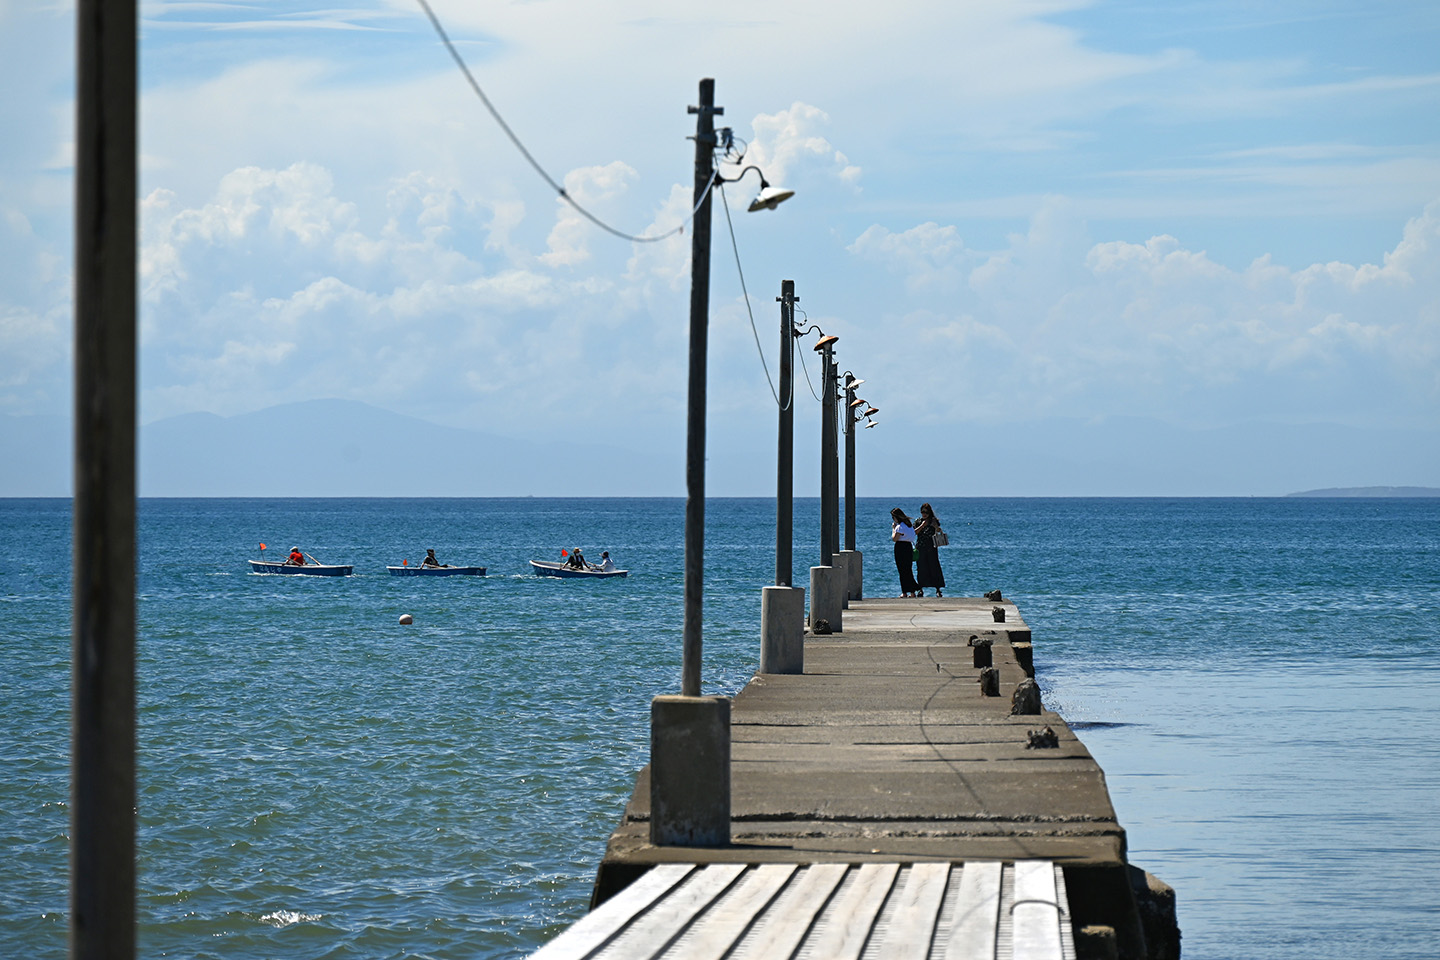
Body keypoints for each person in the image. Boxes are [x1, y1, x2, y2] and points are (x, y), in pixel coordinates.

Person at [913, 502, 946, 598]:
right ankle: (920, 589)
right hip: (921, 546)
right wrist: (922, 525)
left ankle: (938, 589)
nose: (924, 514)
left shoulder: (933, 520)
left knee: (934, 567)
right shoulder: (918, 521)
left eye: (926, 512)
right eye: (922, 512)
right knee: (921, 568)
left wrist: (935, 526)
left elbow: (938, 531)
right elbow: (914, 532)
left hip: (932, 547)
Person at [890, 509, 919, 597]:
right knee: (908, 569)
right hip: (908, 547)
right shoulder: (909, 526)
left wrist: (893, 529)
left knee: (902, 570)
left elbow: (894, 539)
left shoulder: (899, 527)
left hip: (900, 547)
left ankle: (905, 592)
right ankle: (912, 591)